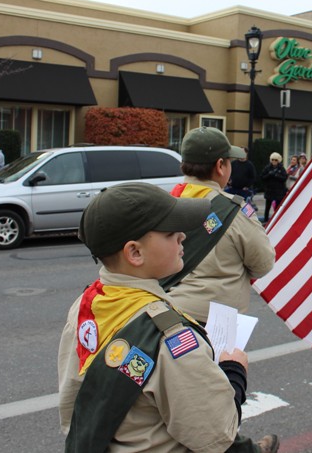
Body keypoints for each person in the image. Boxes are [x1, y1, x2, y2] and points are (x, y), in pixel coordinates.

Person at [58, 182, 278, 452]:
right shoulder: (171, 335)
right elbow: (216, 435)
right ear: (135, 252)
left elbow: (72, 403)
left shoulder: (86, 305)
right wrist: (235, 372)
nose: (183, 237)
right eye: (171, 232)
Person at [164, 127, 276, 324]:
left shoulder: (165, 203)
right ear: (220, 166)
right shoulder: (234, 210)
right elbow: (263, 264)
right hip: (214, 320)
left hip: (165, 311)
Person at [260, 152, 288, 223]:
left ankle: (277, 220)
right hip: (269, 190)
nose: (274, 161)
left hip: (279, 191)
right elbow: (262, 177)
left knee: (277, 207)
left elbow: (284, 178)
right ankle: (266, 220)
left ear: (278, 160)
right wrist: (269, 174)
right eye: (272, 160)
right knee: (267, 207)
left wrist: (277, 175)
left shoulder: (281, 168)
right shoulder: (267, 167)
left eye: (276, 160)